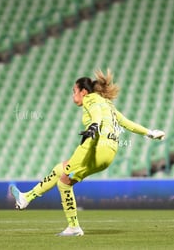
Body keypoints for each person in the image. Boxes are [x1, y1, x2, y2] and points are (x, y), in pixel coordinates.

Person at [10, 69, 165, 236]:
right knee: (59, 169)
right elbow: (126, 123)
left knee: (64, 183)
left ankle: (74, 227)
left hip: (94, 147)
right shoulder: (107, 104)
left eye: (74, 91)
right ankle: (26, 198)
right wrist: (150, 132)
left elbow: (96, 115)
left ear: (83, 92)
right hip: (109, 151)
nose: (72, 95)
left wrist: (94, 126)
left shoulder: (91, 99)